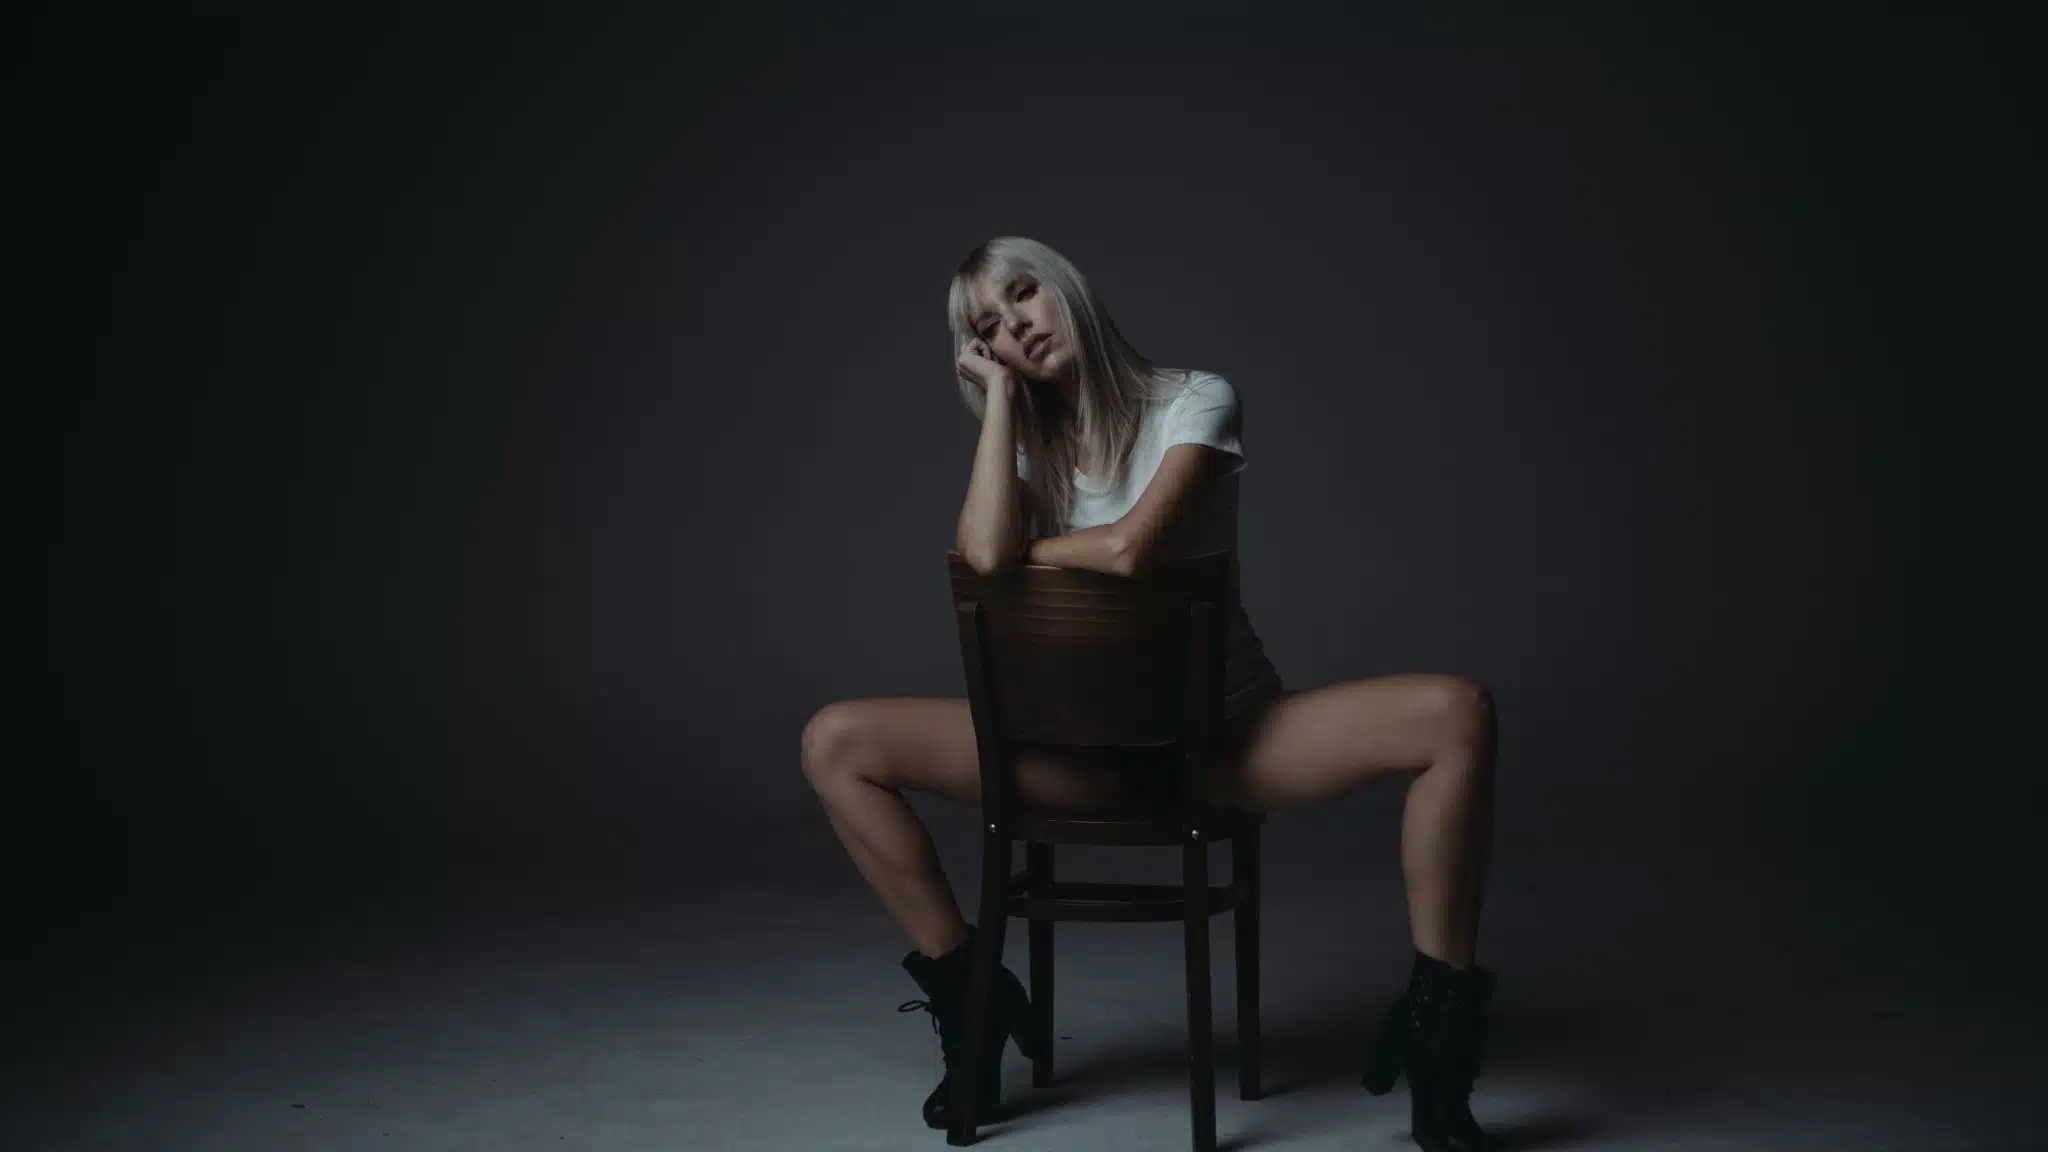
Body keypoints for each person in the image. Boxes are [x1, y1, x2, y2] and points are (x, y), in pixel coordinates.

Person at [801, 236, 1500, 1151]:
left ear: (1067, 291)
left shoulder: (1195, 400)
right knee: (834, 743)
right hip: (1073, 764)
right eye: (988, 328)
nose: (1015, 324)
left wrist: (1025, 558)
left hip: (1224, 747)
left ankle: (1436, 1034)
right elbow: (980, 554)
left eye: (1025, 296)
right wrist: (1001, 407)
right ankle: (971, 998)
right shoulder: (1020, 446)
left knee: (1458, 714)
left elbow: (1134, 549)